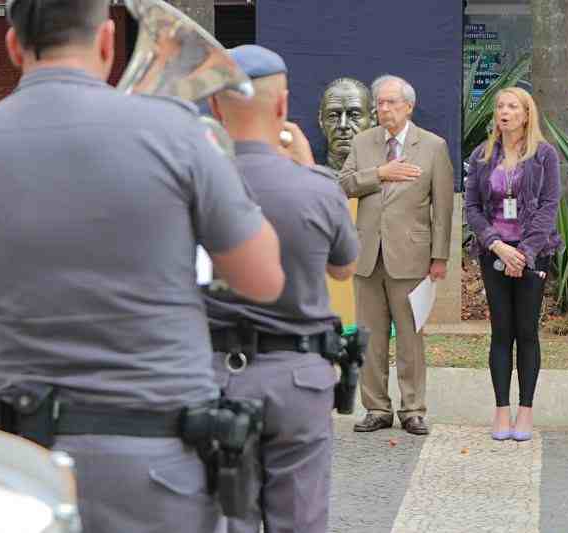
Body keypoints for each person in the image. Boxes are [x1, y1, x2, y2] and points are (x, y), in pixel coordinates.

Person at [0, 1, 284, 532]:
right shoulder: (179, 134)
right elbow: (263, 281)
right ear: (106, 41)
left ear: (13, 47)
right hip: (159, 465)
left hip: (27, 466)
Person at [205, 45, 358, 533]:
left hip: (212, 374)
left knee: (227, 515)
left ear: (214, 107)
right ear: (282, 105)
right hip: (297, 379)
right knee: (301, 518)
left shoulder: (191, 185)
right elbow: (343, 269)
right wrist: (309, 167)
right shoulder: (316, 187)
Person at [339, 74, 454, 436]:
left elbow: (443, 209)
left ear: (409, 106)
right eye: (379, 103)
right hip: (369, 256)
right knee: (370, 336)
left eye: (391, 103)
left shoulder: (433, 146)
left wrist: (439, 257)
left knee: (410, 338)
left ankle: (412, 408)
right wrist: (380, 174)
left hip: (412, 257)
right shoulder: (362, 143)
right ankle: (376, 407)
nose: (383, 109)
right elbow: (343, 184)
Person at [464, 87, 561, 442]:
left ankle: (526, 410)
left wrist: (525, 253)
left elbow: (549, 207)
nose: (505, 112)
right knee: (501, 332)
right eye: (500, 106)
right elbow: (472, 208)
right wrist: (497, 246)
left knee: (527, 331)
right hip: (495, 253)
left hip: (533, 253)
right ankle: (501, 410)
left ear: (526, 114)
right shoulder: (481, 155)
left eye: (512, 107)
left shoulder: (544, 155)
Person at [318, 77, 374, 170]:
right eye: (333, 116)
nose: (343, 125)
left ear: (372, 119)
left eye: (354, 115)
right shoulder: (306, 181)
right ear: (321, 120)